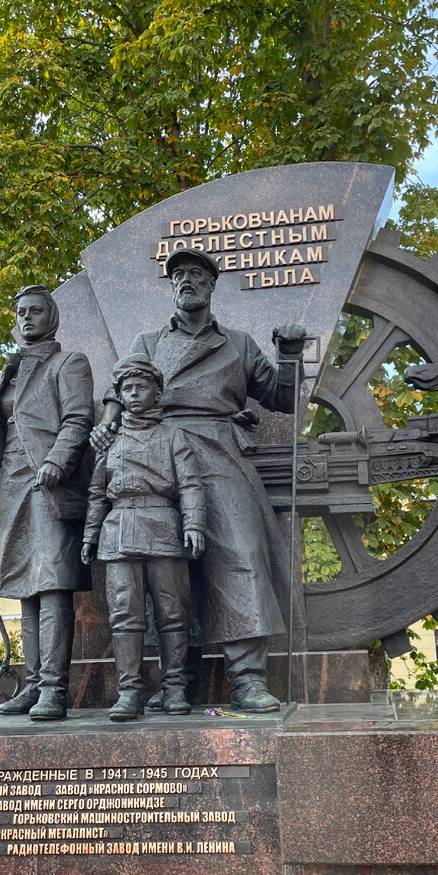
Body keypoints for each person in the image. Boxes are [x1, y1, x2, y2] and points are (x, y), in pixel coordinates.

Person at [91, 248, 306, 713]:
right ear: (171, 288)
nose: (185, 282)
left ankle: (247, 680)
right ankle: (177, 683)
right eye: (178, 276)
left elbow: (283, 399)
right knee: (166, 568)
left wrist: (289, 353)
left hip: (221, 451)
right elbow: (118, 387)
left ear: (211, 286)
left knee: (241, 554)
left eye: (195, 275)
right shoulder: (147, 341)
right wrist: (110, 419)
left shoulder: (239, 342)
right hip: (155, 449)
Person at [0, 284, 94, 720]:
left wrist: (58, 460)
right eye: (20, 312)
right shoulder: (10, 373)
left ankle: (55, 688)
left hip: (49, 483)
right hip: (12, 485)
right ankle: (34, 685)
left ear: (51, 318)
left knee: (52, 581)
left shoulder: (68, 363)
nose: (27, 317)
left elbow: (79, 418)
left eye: (36, 311)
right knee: (24, 587)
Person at [81, 353, 205, 721]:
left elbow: (191, 485)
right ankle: (130, 692)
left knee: (172, 615)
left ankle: (175, 688)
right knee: (125, 617)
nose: (134, 394)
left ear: (156, 391)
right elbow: (97, 493)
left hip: (164, 530)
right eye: (127, 388)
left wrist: (194, 525)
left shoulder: (173, 436)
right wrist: (90, 535)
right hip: (118, 533)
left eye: (142, 387)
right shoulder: (109, 442)